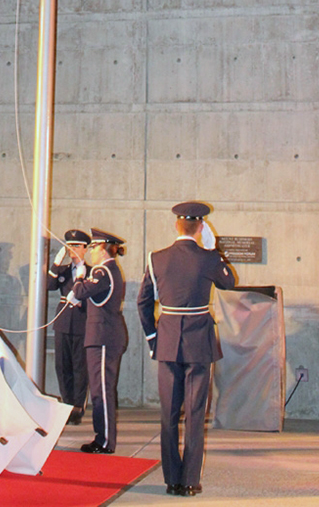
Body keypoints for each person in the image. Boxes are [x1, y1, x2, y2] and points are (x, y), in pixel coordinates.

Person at [137, 201, 236, 497]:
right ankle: (190, 481)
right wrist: (215, 251)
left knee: (168, 414)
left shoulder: (157, 258)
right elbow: (229, 283)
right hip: (199, 344)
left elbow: (143, 302)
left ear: (176, 225)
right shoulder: (208, 259)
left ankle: (172, 479)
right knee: (194, 414)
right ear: (202, 227)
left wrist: (153, 338)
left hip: (167, 342)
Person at [70, 227, 127, 454]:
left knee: (101, 391)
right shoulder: (107, 271)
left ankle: (104, 441)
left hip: (104, 337)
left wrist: (80, 275)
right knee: (99, 389)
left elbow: (80, 291)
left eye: (93, 247)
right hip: (102, 336)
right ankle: (101, 437)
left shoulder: (103, 272)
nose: (90, 251)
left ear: (102, 249)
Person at [47, 228, 90, 424]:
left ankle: (78, 406)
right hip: (63, 321)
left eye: (76, 246)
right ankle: (67, 404)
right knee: (62, 365)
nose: (72, 249)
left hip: (82, 321)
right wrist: (56, 262)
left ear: (85, 248)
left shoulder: (91, 271)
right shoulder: (63, 271)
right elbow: (48, 285)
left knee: (80, 366)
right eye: (69, 246)